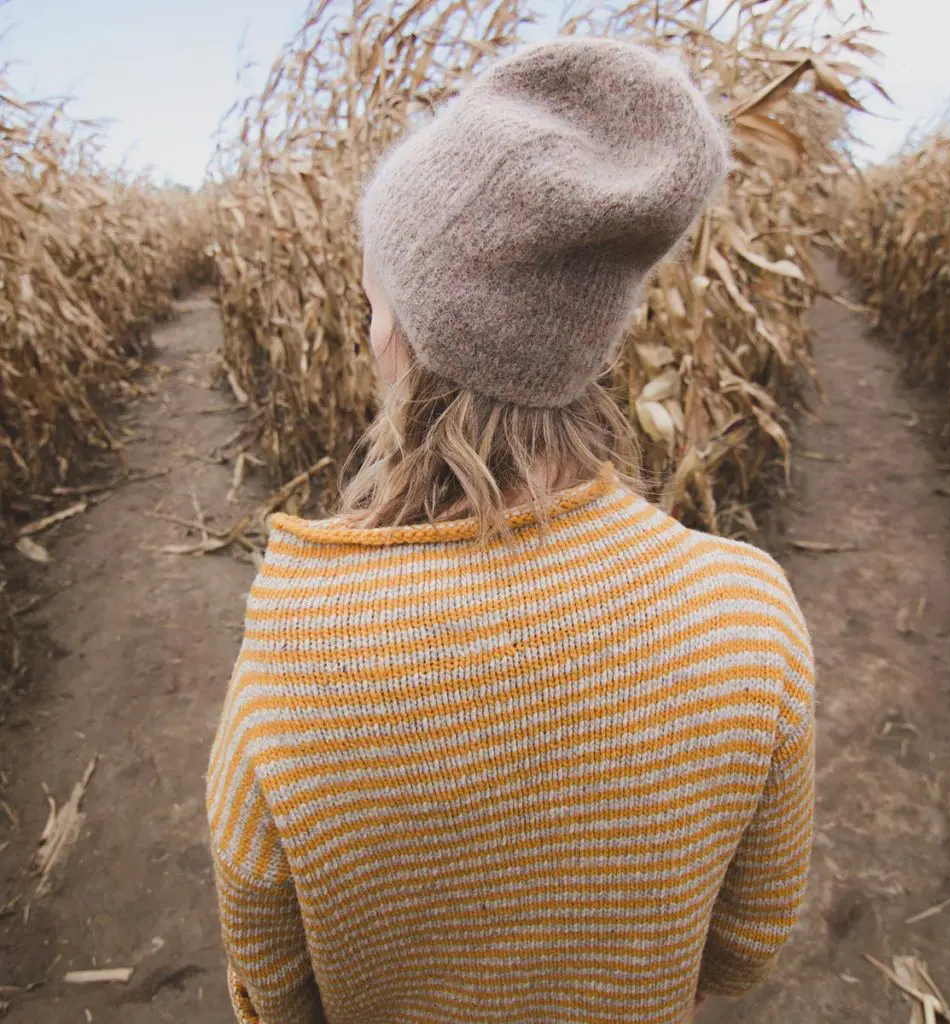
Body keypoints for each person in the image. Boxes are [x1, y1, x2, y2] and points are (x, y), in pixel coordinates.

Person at [206, 36, 815, 1024]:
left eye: (375, 298)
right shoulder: (748, 615)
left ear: (407, 331)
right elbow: (747, 943)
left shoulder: (299, 656)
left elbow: (274, 989)